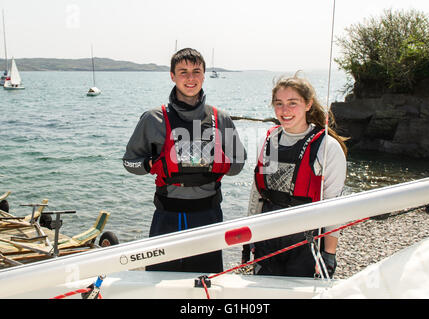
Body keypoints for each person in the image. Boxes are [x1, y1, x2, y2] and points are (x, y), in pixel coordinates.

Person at [123, 48, 247, 273]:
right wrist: (149, 165)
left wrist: (224, 163)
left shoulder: (221, 118)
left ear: (203, 75)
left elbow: (239, 163)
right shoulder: (153, 119)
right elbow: (129, 161)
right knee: (159, 285)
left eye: (196, 71)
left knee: (206, 283)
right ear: (172, 76)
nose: (190, 78)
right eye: (183, 72)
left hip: (208, 216)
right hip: (167, 217)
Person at [243, 74, 348, 278]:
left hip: (305, 241)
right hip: (267, 236)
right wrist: (250, 240)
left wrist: (329, 254)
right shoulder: (270, 141)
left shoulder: (327, 147)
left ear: (308, 104)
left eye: (293, 103)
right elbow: (257, 193)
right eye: (279, 104)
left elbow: (334, 205)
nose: (285, 110)